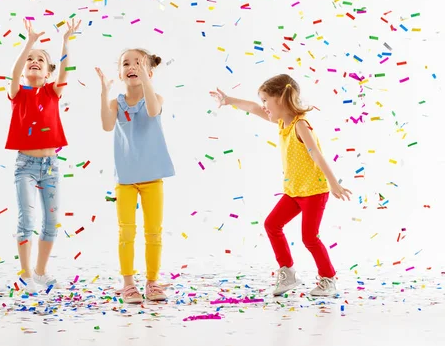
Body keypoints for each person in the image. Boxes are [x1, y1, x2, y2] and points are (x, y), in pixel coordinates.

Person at [210, 74, 352, 297]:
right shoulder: (281, 123)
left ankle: (328, 278)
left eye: (267, 100)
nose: (264, 105)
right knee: (272, 224)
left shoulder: (300, 125)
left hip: (314, 192)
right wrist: (229, 100)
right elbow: (253, 107)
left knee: (309, 237)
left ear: (282, 98)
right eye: (263, 100)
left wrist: (334, 184)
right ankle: (288, 272)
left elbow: (317, 155)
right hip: (294, 191)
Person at [5, 18, 81, 294]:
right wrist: (29, 43)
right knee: (26, 220)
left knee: (51, 223)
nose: (34, 61)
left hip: (51, 166)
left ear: (48, 73)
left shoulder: (52, 91)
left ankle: (39, 271)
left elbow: (65, 70)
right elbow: (14, 74)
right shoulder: (18, 93)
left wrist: (65, 42)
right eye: (30, 60)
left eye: (40, 60)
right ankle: (25, 274)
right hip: (25, 165)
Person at [96, 49, 175, 304]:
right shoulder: (115, 103)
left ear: (149, 72)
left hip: (153, 178)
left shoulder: (156, 97)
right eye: (126, 64)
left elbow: (152, 111)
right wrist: (104, 93)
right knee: (126, 232)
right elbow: (107, 126)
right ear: (120, 73)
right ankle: (128, 283)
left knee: (153, 232)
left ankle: (152, 282)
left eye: (138, 64)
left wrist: (147, 82)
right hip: (126, 180)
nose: (132, 67)